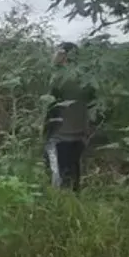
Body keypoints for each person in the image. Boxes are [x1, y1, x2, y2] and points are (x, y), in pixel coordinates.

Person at [45, 42, 94, 190]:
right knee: (74, 173)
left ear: (62, 55)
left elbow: (49, 106)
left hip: (60, 135)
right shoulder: (87, 78)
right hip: (80, 135)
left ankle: (59, 206)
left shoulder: (58, 78)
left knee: (57, 176)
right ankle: (75, 204)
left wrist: (44, 131)